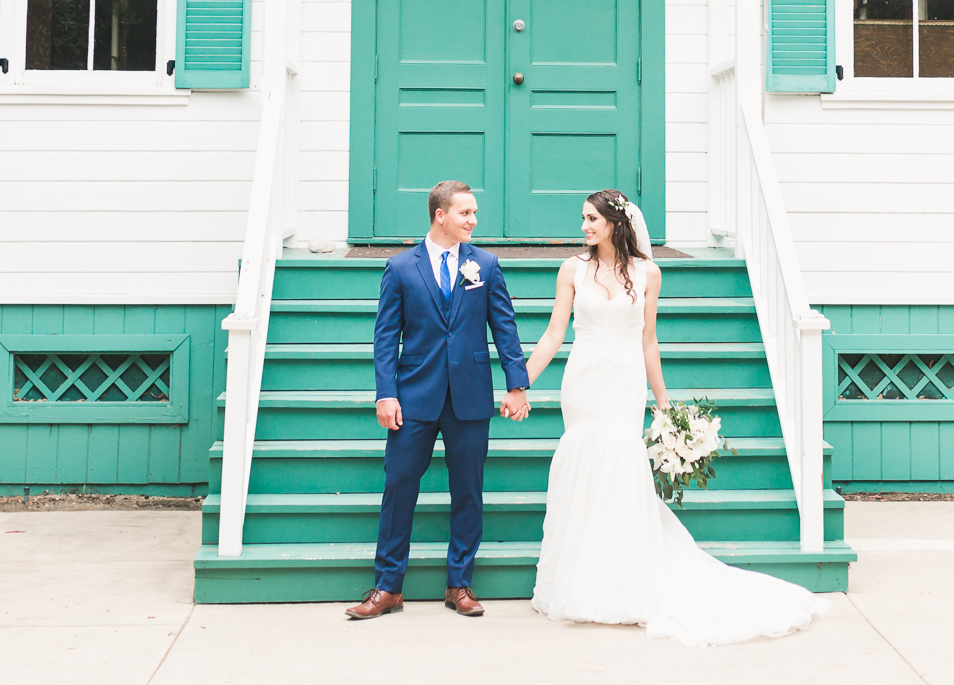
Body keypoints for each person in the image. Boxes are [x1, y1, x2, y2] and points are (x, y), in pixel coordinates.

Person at [521, 188, 826, 646]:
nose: (583, 227)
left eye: (591, 219)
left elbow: (648, 341)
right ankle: (582, 580)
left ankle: (626, 582)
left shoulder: (648, 273)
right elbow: (552, 334)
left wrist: (663, 405)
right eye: (583, 219)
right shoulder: (572, 269)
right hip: (583, 380)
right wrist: (520, 382)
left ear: (615, 223)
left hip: (624, 382)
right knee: (583, 465)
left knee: (621, 468)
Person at [345, 180, 530, 621]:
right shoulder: (401, 267)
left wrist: (516, 383)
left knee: (468, 492)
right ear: (440, 215)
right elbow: (386, 336)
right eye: (465, 213)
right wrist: (385, 393)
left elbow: (504, 327)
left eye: (474, 213)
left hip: (469, 398)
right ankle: (388, 587)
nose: (474, 220)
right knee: (399, 488)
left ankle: (459, 584)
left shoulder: (485, 264)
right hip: (413, 397)